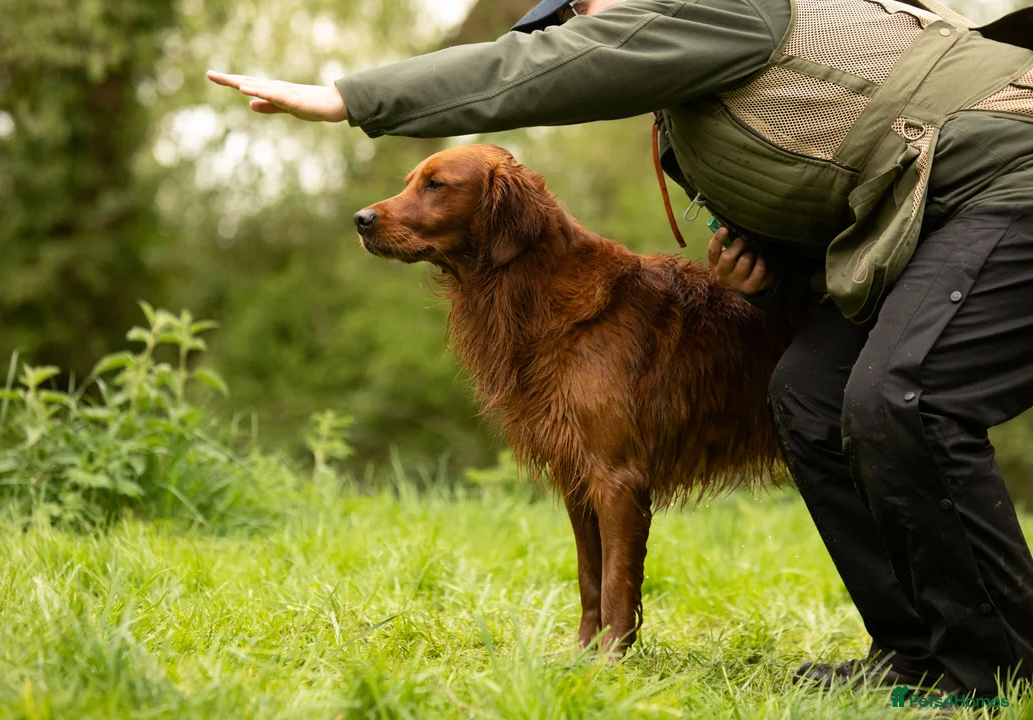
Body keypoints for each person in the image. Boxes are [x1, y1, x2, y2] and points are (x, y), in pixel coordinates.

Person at [208, 0, 1033, 697]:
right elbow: (846, 209)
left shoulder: (716, 6)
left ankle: (997, 669)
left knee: (898, 393)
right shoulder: (699, 104)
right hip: (942, 213)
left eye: (581, 12)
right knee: (810, 397)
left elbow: (532, 69)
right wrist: (769, 280)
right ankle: (918, 657)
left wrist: (346, 95)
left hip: (1013, 177)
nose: (581, 24)